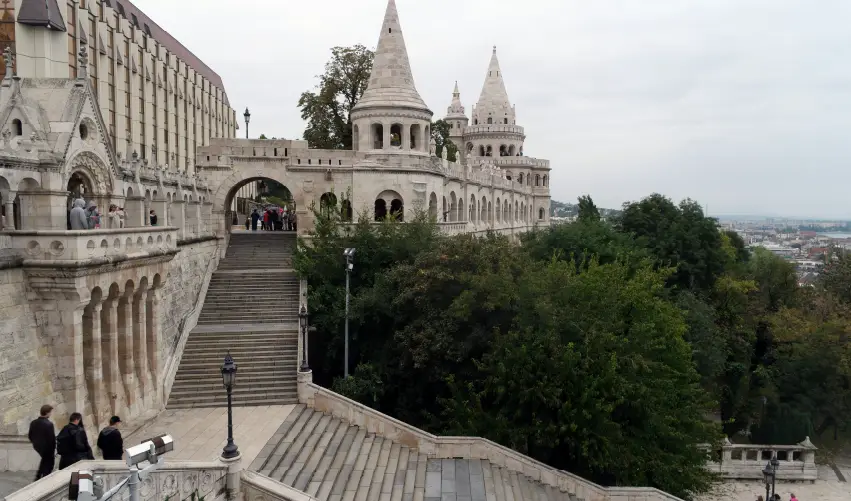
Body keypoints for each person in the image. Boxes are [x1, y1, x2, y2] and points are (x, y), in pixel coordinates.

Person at [28, 404, 56, 480]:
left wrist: (35, 443)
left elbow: (30, 435)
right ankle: (45, 480)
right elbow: (51, 440)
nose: (50, 414)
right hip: (47, 448)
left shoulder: (33, 422)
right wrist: (53, 451)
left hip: (37, 446)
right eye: (50, 412)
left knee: (44, 460)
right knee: (49, 464)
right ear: (47, 413)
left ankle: (38, 477)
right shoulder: (49, 424)